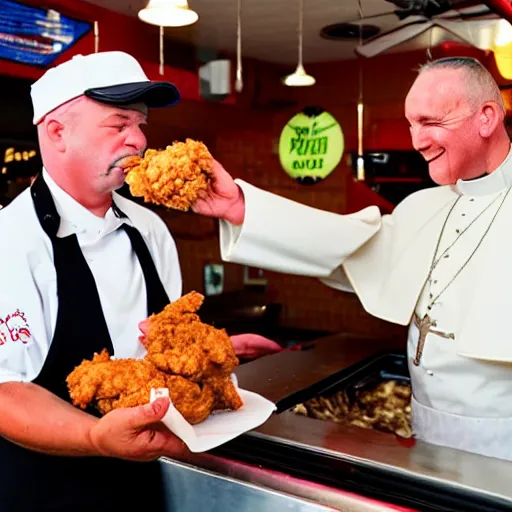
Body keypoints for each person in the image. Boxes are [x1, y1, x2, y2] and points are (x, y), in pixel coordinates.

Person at [192, 56, 512, 461]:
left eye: (430, 122)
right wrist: (240, 206)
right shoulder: (423, 207)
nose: (416, 140)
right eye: (412, 124)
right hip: (426, 435)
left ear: (486, 118)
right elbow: (343, 247)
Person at [0, 51, 280, 512]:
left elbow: (155, 345)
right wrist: (94, 435)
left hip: (146, 482)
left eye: (141, 124)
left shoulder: (149, 227)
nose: (139, 140)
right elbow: (7, 392)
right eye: (118, 124)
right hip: (47, 490)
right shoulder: (12, 241)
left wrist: (207, 353)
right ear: (57, 132)